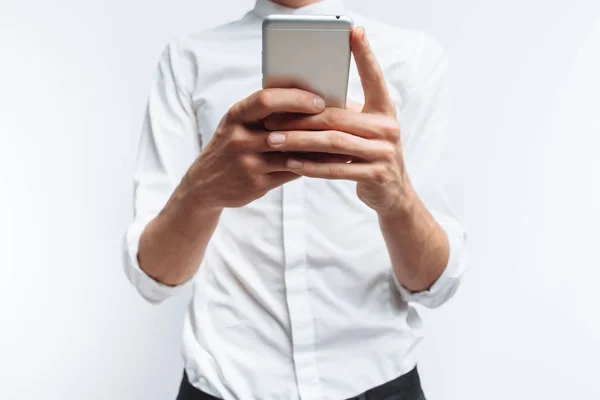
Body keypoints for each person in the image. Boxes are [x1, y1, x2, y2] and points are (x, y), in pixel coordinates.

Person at [124, 0, 469, 399]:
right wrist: (201, 191)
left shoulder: (412, 58)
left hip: (380, 383)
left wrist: (397, 199)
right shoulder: (187, 60)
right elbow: (153, 280)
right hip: (225, 385)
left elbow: (435, 285)